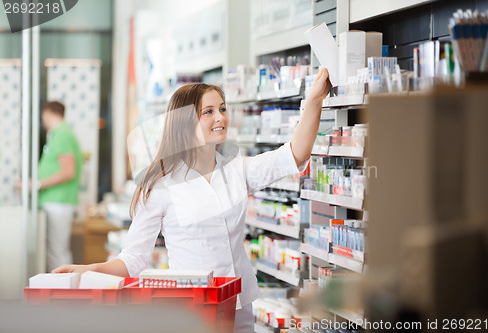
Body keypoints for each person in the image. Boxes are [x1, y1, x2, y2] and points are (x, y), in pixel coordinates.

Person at [54, 68, 332, 332]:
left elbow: (295, 153)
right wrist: (89, 268)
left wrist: (315, 98)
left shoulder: (237, 170)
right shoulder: (160, 186)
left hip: (239, 302)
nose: (220, 117)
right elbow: (133, 259)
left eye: (222, 108)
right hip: (191, 306)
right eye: (208, 112)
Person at [37, 101, 83, 272]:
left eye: (43, 116)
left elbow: (68, 171)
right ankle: (60, 291)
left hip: (59, 202)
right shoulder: (58, 135)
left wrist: (37, 184)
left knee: (57, 252)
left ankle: (64, 294)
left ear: (48, 113)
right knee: (55, 251)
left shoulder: (62, 134)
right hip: (56, 201)